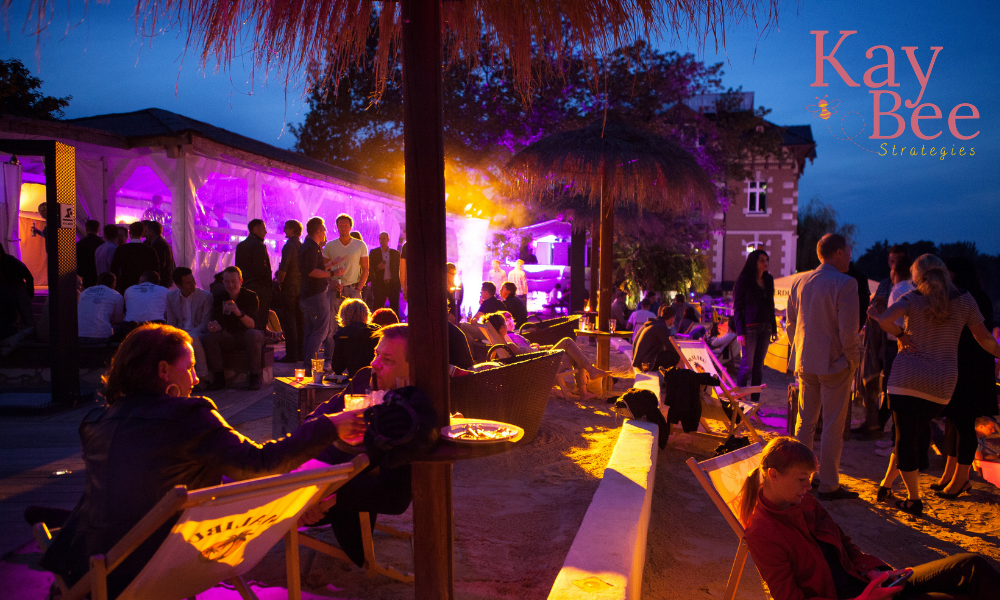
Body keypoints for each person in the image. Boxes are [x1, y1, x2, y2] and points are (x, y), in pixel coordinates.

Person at [38, 323, 366, 599]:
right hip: (152, 568)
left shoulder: (95, 421)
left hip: (86, 571)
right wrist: (327, 426)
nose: (196, 379)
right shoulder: (187, 416)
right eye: (190, 366)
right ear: (164, 370)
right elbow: (260, 464)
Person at [740, 436, 1000, 600]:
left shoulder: (801, 499)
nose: (809, 487)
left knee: (971, 566)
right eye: (801, 479)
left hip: (863, 580)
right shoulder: (763, 532)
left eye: (809, 479)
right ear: (773, 475)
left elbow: (844, 543)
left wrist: (873, 571)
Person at [872, 255, 1000, 515]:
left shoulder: (912, 298)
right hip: (942, 383)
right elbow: (984, 338)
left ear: (918, 277)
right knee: (910, 434)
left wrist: (901, 335)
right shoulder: (965, 300)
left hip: (906, 379)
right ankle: (886, 483)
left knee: (904, 437)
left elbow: (884, 319)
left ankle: (913, 498)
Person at [787, 233, 861, 500]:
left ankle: (797, 478)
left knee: (804, 422)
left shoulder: (799, 281)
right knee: (832, 425)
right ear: (839, 252)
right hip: (834, 363)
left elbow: (790, 325)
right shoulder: (846, 283)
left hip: (805, 360)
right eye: (849, 251)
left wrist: (801, 351)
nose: (851, 257)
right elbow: (849, 331)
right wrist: (853, 358)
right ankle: (829, 482)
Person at [930, 257, 998, 498]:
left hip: (969, 370)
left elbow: (974, 336)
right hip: (967, 367)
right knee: (954, 422)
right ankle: (951, 473)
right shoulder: (975, 297)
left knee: (963, 423)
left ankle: (961, 478)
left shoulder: (970, 298)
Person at [855, 245, 910, 439]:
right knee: (871, 381)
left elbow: (891, 319)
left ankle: (880, 427)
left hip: (892, 341)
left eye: (897, 261)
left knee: (891, 386)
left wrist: (877, 315)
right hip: (878, 340)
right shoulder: (887, 284)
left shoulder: (901, 288)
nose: (892, 264)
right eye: (891, 259)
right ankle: (873, 423)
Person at [486, 312, 607, 400]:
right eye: (505, 324)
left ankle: (586, 386)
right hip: (541, 366)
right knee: (568, 342)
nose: (508, 325)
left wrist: (533, 348)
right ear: (502, 327)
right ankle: (588, 380)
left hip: (539, 362)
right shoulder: (509, 345)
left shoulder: (502, 343)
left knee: (574, 354)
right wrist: (535, 348)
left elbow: (523, 354)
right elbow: (525, 355)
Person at [205, 266, 265, 391]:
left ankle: (254, 376)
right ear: (223, 282)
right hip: (230, 336)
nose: (230, 285)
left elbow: (253, 325)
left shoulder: (250, 296)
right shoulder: (219, 297)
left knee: (252, 334)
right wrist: (215, 326)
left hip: (250, 334)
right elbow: (219, 321)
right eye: (227, 282)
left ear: (240, 281)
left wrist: (238, 312)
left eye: (233, 281)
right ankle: (219, 376)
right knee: (210, 336)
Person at [733, 249, 778, 404]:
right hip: (749, 327)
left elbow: (771, 304)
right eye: (762, 260)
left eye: (767, 260)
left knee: (759, 367)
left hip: (765, 326)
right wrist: (740, 331)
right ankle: (739, 403)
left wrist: (774, 328)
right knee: (747, 365)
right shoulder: (744, 279)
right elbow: (737, 306)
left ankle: (755, 404)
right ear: (754, 262)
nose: (766, 263)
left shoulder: (769, 279)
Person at [323, 214, 368, 357]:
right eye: (341, 225)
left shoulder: (360, 245)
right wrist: (331, 282)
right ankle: (330, 358)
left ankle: (357, 356)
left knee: (358, 323)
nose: (343, 228)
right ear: (337, 227)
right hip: (336, 288)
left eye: (346, 225)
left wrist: (359, 288)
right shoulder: (330, 245)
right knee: (332, 325)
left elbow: (366, 268)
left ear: (351, 227)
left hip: (353, 288)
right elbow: (323, 268)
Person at [300, 218, 337, 374]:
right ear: (318, 231)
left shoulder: (308, 246)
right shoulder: (311, 248)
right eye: (324, 230)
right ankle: (310, 366)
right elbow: (312, 271)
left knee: (310, 330)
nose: (325, 233)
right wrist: (333, 273)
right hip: (315, 294)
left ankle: (307, 364)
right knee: (320, 331)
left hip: (307, 294)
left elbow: (315, 267)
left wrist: (332, 264)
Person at [164, 267, 214, 382]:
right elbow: (171, 322)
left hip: (199, 332)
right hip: (181, 332)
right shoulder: (171, 297)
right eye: (188, 283)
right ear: (179, 285)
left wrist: (187, 334)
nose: (193, 285)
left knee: (193, 339)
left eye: (193, 281)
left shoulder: (206, 296)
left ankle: (203, 376)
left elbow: (205, 322)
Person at [235, 219, 272, 330]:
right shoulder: (259, 246)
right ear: (255, 229)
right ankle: (261, 343)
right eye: (264, 229)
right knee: (261, 317)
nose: (266, 232)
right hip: (260, 288)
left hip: (245, 286)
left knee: (249, 315)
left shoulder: (240, 246)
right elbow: (261, 269)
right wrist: (269, 286)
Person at [276, 220, 304, 363]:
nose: (284, 230)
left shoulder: (289, 246)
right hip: (301, 287)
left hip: (289, 287)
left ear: (292, 229)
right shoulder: (301, 245)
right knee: (300, 321)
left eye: (286, 228)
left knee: (290, 321)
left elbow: (284, 266)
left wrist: (280, 282)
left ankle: (291, 354)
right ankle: (300, 353)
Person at [329, 299, 380, 378]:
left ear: (344, 315)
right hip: (378, 377)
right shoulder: (377, 331)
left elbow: (337, 367)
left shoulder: (343, 334)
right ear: (366, 314)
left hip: (357, 379)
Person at [109, 222, 159, 295]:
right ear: (142, 233)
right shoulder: (150, 251)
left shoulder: (121, 249)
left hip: (126, 287)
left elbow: (114, 269)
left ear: (130, 233)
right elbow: (155, 271)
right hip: (145, 289)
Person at [77, 272, 124, 344]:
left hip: (79, 335)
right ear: (113, 284)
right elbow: (118, 320)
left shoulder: (84, 292)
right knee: (122, 328)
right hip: (101, 337)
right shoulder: (116, 295)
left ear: (97, 281)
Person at [632, 305, 680, 372]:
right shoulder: (661, 327)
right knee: (676, 355)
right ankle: (674, 376)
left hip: (641, 361)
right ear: (672, 318)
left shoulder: (654, 323)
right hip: (646, 363)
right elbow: (671, 346)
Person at [0, 243, 35, 336]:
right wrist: (29, 292)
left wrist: (29, 292)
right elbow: (28, 275)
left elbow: (28, 275)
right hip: (16, 291)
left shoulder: (10, 261)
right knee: (27, 319)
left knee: (26, 319)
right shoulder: (11, 260)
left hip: (16, 291)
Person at [368, 231, 401, 316]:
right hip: (380, 284)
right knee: (378, 308)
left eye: (384, 238)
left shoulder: (395, 253)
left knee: (395, 308)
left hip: (392, 284)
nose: (382, 240)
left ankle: (396, 326)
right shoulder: (374, 253)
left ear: (388, 239)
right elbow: (370, 268)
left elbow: (399, 269)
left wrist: (399, 284)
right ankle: (376, 326)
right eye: (380, 239)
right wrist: (378, 267)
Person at [143, 220, 175, 289]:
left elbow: (160, 263)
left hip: (161, 281)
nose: (146, 234)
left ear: (152, 231)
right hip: (163, 281)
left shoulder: (159, 245)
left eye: (147, 231)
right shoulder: (161, 243)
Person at [76, 219, 104, 288]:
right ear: (98, 229)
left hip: (84, 276)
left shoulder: (79, 244)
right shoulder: (102, 244)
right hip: (98, 275)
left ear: (86, 229)